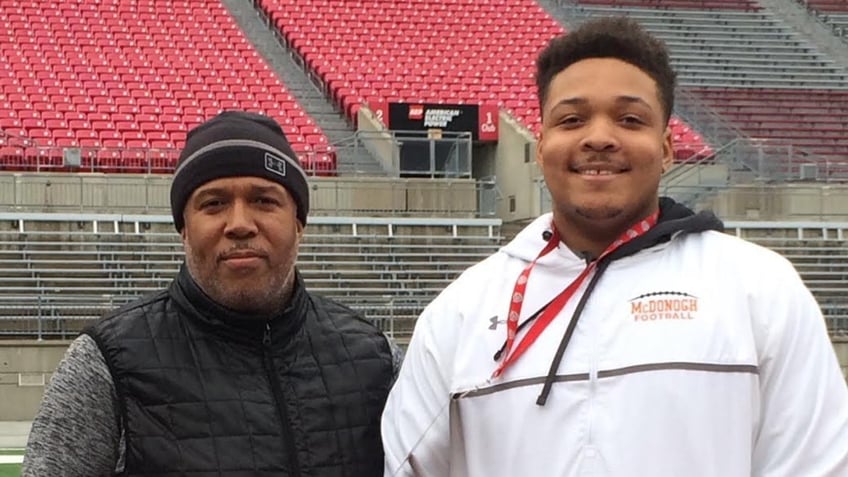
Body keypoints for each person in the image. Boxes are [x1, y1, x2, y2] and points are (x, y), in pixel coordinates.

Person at [381, 16, 848, 477]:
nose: (599, 138)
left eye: (629, 119)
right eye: (571, 119)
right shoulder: (462, 311)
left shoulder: (759, 290)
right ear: (540, 145)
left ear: (666, 147)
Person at [24, 111, 400, 476]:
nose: (239, 224)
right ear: (184, 228)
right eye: (214, 203)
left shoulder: (377, 361)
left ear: (299, 223)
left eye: (264, 200)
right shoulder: (107, 364)